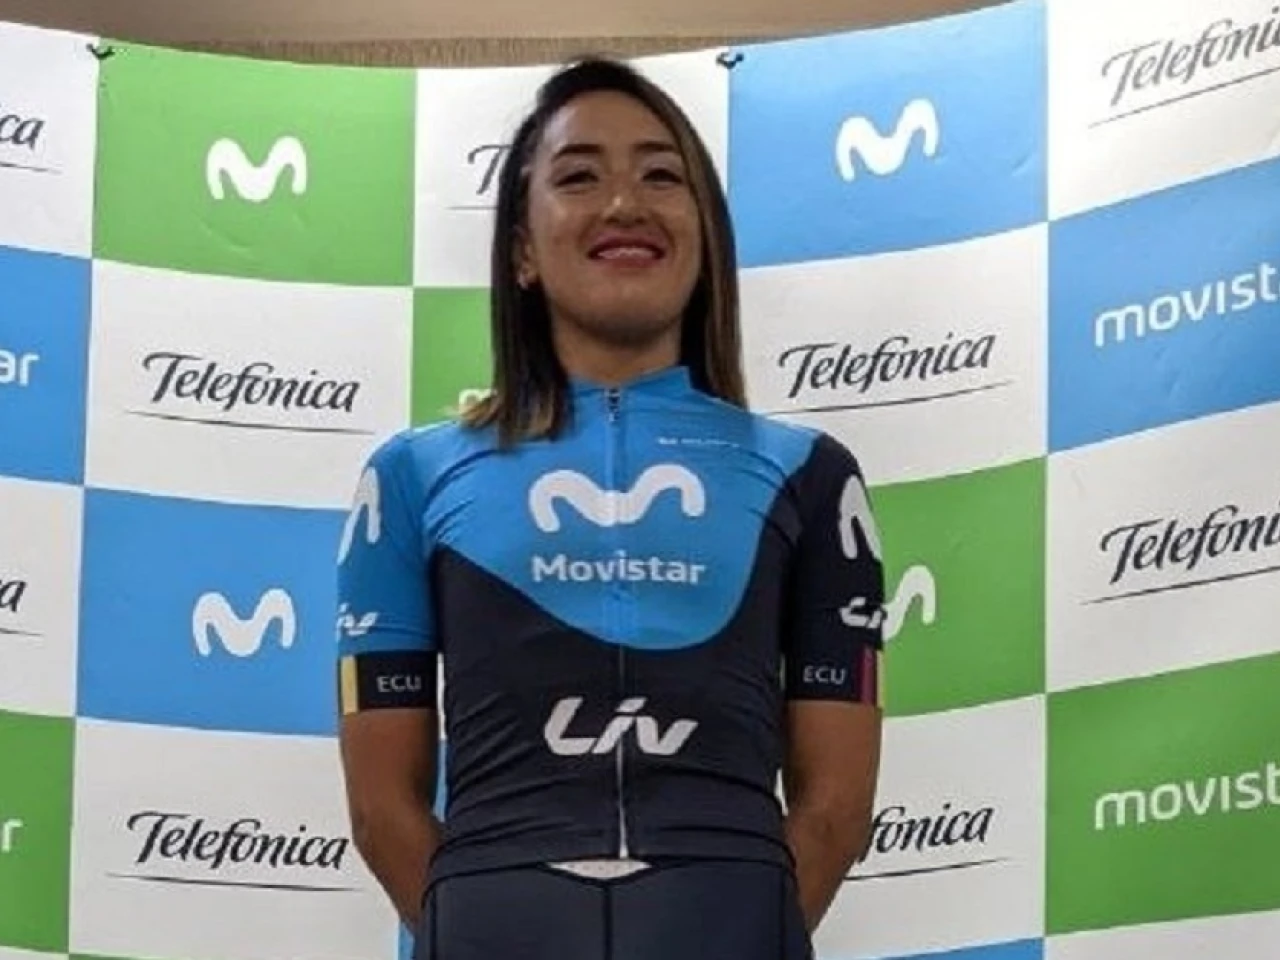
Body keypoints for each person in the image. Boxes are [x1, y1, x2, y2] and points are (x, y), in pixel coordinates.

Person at [335, 55, 885, 960]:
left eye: (661, 175)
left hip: (729, 910)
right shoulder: (410, 477)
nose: (624, 203)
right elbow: (380, 807)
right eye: (579, 176)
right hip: (492, 913)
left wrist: (736, 928)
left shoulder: (811, 476)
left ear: (705, 234)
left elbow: (834, 809)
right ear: (521, 247)